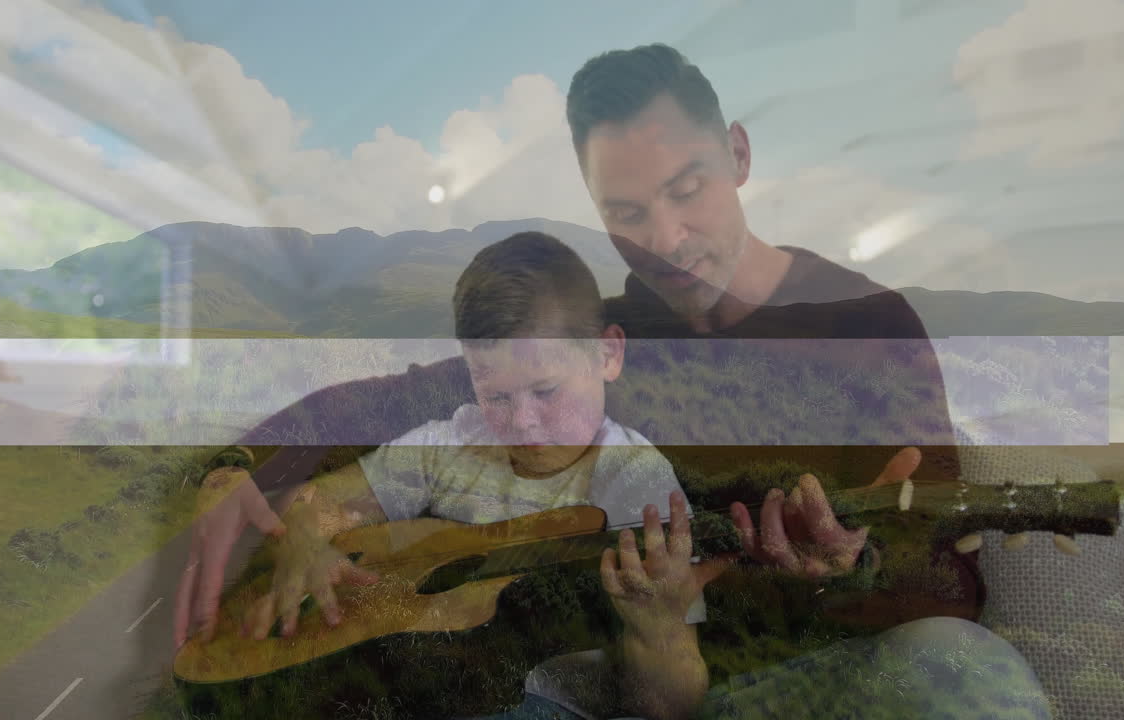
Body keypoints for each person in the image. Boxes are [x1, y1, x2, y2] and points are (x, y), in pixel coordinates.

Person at [176, 43, 1034, 718]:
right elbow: (391, 401)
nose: (665, 239)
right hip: (614, 688)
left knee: (960, 667)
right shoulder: (594, 341)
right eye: (625, 213)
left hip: (799, 684)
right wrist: (231, 471)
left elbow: (949, 587)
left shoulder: (867, 325)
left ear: (737, 154)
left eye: (687, 190)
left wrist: (851, 569)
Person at [207, 232, 725, 719]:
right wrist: (303, 533)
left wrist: (660, 630)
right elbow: (325, 501)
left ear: (607, 355)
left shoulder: (636, 480)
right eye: (496, 396)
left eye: (545, 391)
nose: (522, 422)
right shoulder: (452, 444)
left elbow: (672, 702)